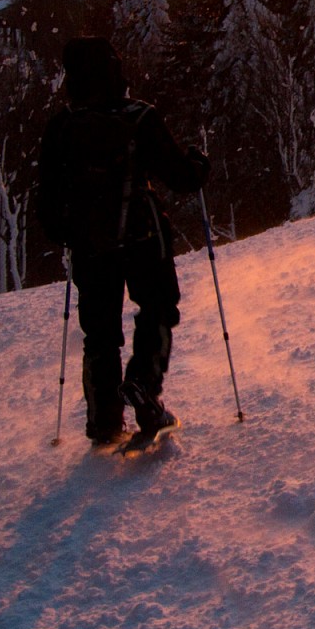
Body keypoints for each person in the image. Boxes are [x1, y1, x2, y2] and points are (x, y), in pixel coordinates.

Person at [37, 37, 211, 444]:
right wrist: (199, 165)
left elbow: (47, 203)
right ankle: (144, 385)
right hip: (143, 236)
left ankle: (104, 422)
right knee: (157, 308)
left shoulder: (61, 127)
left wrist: (68, 232)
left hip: (90, 246)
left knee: (99, 332)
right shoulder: (140, 117)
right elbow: (180, 176)